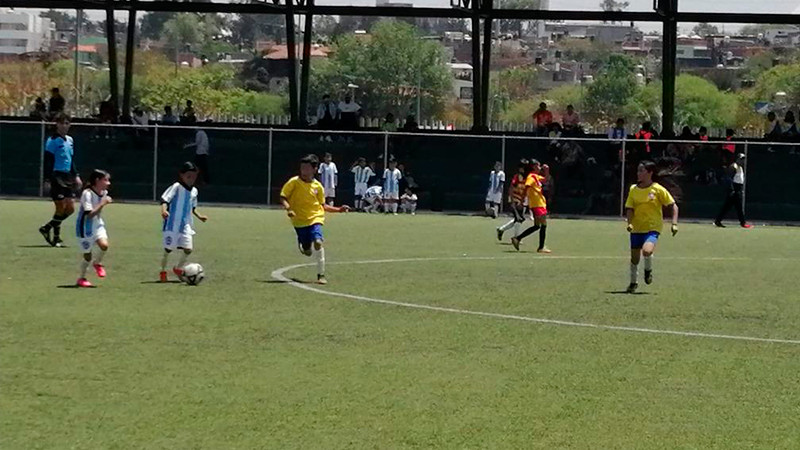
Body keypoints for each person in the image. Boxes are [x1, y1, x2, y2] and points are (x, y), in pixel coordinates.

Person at [280, 154, 350, 285]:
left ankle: (321, 275)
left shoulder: (318, 187)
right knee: (307, 251)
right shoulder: (294, 182)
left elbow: (323, 206)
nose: (304, 171)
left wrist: (339, 209)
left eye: (307, 168)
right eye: (302, 168)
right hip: (299, 221)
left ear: (314, 169)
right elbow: (283, 197)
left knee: (318, 242)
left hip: (315, 218)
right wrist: (288, 208)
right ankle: (304, 245)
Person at [624, 161, 679, 294]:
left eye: (641, 171)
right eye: (638, 171)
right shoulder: (633, 189)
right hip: (637, 228)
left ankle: (648, 271)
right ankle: (633, 283)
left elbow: (673, 205)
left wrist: (674, 223)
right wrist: (630, 223)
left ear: (650, 173)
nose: (638, 173)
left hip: (652, 227)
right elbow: (630, 208)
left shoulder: (658, 189)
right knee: (634, 259)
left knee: (647, 251)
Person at [159, 162, 208, 283]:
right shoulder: (176, 187)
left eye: (193, 176)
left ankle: (178, 268)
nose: (191, 179)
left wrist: (199, 216)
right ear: (182, 175)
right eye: (188, 176)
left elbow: (192, 207)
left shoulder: (194, 191)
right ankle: (163, 271)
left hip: (186, 225)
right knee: (168, 250)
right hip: (172, 224)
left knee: (188, 249)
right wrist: (164, 210)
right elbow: (165, 199)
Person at [39, 114, 80, 248]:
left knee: (70, 208)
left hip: (67, 176)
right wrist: (47, 179)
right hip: (56, 176)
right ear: (57, 124)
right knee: (60, 208)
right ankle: (56, 238)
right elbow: (48, 161)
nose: (64, 126)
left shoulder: (70, 140)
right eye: (62, 123)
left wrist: (76, 176)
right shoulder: (52, 140)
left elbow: (71, 159)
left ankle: (46, 228)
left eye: (67, 123)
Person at [75, 170, 113, 288]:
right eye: (105, 180)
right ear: (97, 180)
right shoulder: (87, 194)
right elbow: (89, 215)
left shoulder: (104, 192)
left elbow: (97, 214)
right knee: (87, 255)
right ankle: (82, 278)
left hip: (97, 224)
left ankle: (97, 263)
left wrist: (102, 202)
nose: (108, 183)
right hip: (85, 227)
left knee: (104, 246)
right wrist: (102, 203)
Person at [511, 160, 551, 253]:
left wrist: (547, 171)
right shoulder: (531, 177)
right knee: (544, 224)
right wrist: (522, 201)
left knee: (537, 226)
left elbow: (545, 179)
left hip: (540, 203)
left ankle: (517, 239)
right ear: (534, 167)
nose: (540, 167)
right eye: (538, 166)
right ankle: (541, 247)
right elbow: (527, 186)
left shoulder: (536, 176)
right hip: (537, 203)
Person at [715, 153, 752, 229]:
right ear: (737, 159)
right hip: (735, 190)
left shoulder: (740, 167)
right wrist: (732, 190)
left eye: (743, 159)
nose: (743, 161)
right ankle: (743, 223)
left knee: (727, 207)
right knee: (738, 208)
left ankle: (718, 221)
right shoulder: (733, 167)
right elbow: (729, 179)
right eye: (741, 159)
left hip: (738, 189)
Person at [496, 159, 529, 241]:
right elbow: (511, 188)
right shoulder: (517, 177)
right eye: (524, 167)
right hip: (515, 200)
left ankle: (501, 229)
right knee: (518, 219)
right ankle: (516, 238)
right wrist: (513, 201)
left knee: (518, 219)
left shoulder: (527, 177)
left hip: (521, 200)